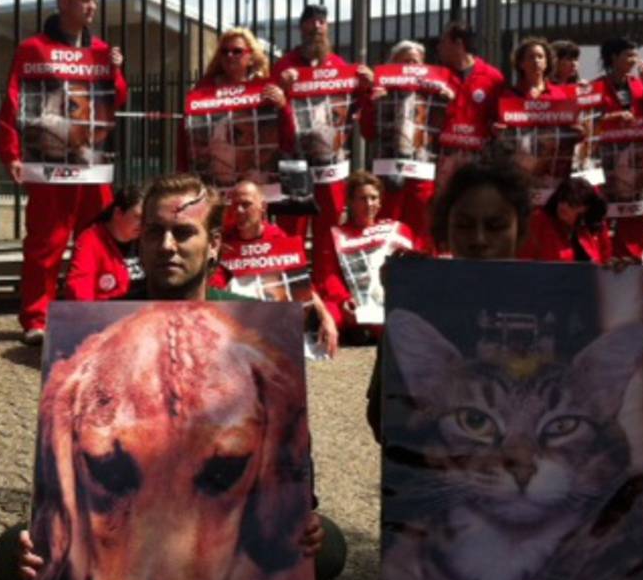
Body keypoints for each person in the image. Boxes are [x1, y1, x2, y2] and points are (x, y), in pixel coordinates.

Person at [9, 172, 344, 580]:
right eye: (155, 232)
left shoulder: (255, 325)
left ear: (214, 244)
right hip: (116, 535)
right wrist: (39, 536)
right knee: (12, 556)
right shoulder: (97, 327)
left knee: (327, 550)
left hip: (220, 533)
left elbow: (288, 453)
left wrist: (300, 510)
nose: (167, 245)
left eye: (184, 233)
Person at [0, 0, 128, 346]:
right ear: (63, 2)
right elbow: (13, 102)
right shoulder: (33, 49)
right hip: (48, 165)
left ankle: (93, 310)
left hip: (92, 167)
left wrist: (115, 70)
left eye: (94, 1)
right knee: (45, 243)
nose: (92, 7)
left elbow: (116, 100)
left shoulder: (102, 50)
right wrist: (10, 152)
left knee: (98, 240)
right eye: (85, 0)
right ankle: (37, 319)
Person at [366, 160, 533, 438]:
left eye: (495, 226)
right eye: (464, 226)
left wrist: (616, 290)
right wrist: (401, 302)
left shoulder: (558, 303)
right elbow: (383, 420)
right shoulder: (423, 301)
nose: (479, 239)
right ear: (446, 229)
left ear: (520, 229)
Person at [273, 4, 375, 298]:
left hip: (331, 166)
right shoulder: (284, 66)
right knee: (291, 232)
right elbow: (270, 112)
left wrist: (365, 87)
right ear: (301, 27)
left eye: (322, 22)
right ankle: (292, 292)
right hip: (294, 164)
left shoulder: (340, 65)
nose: (317, 27)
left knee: (328, 232)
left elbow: (355, 110)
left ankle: (327, 291)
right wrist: (281, 89)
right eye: (311, 22)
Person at [214, 180, 341, 356]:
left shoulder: (278, 238)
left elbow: (301, 284)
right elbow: (215, 290)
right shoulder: (223, 242)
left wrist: (326, 318)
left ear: (263, 207)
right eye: (234, 205)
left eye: (246, 204)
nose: (239, 211)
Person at [360, 39, 453, 246]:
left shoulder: (435, 95)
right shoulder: (380, 91)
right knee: (387, 229)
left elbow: (446, 132)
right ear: (393, 65)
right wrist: (372, 102)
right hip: (387, 173)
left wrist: (448, 104)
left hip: (421, 173)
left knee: (421, 232)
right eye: (405, 62)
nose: (410, 67)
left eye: (415, 62)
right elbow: (368, 132)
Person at [176, 27, 291, 188]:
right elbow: (186, 134)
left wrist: (283, 104)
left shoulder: (265, 89)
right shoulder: (203, 89)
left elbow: (287, 134)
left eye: (237, 51)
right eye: (224, 52)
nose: (229, 56)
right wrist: (182, 173)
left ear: (251, 57)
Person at [315, 171, 416, 338]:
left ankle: (368, 330)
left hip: (386, 298)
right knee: (329, 317)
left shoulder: (398, 229)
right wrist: (344, 299)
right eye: (362, 198)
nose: (369, 204)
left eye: (374, 198)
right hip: (348, 300)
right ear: (350, 202)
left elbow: (411, 270)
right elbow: (329, 276)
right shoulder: (335, 234)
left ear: (380, 202)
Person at [591, 37, 643, 259]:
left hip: (636, 161)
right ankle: (606, 257)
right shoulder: (596, 87)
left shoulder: (638, 84)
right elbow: (589, 121)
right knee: (606, 212)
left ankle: (634, 257)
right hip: (607, 162)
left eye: (635, 55)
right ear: (614, 57)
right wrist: (614, 117)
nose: (634, 60)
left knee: (637, 212)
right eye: (628, 55)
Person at [63, 184, 144, 301]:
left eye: (146, 218)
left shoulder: (146, 239)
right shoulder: (92, 241)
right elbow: (79, 289)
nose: (143, 223)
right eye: (137, 217)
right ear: (118, 213)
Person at [518, 176, 612, 264]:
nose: (564, 206)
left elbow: (605, 262)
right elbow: (524, 259)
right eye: (562, 199)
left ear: (584, 207)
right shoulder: (539, 220)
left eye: (572, 201)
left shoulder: (592, 228)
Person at [504, 36, 570, 101]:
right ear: (521, 63)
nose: (536, 61)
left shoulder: (558, 95)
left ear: (546, 63)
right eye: (531, 57)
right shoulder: (509, 96)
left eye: (540, 56)